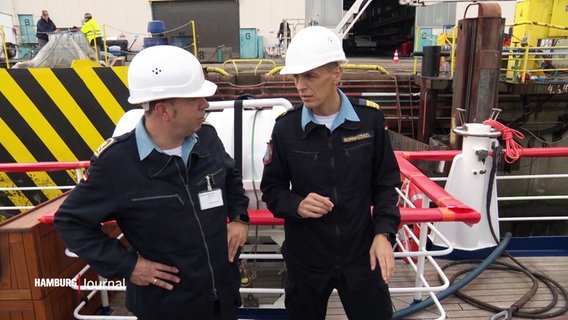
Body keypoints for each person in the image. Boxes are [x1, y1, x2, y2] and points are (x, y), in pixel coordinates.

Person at [54, 45, 250, 320]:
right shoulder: (116, 164)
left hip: (221, 298)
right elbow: (70, 221)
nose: (205, 105)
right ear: (164, 111)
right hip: (166, 307)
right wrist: (129, 265)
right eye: (196, 99)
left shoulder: (208, 139)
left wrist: (239, 217)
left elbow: (230, 177)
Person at [260, 26, 401, 320]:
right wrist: (296, 204)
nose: (300, 86)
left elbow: (387, 183)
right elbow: (272, 189)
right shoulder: (286, 129)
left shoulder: (369, 121)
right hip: (306, 260)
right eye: (296, 77)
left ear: (336, 74)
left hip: (362, 257)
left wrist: (384, 233)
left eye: (310, 76)